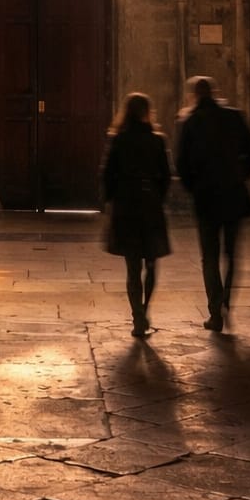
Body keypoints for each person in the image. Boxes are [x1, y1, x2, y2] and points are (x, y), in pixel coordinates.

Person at [175, 75, 250, 333]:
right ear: (213, 91)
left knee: (209, 256)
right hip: (233, 194)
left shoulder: (190, 121)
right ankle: (226, 302)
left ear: (194, 95)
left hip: (206, 198)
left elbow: (181, 164)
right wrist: (241, 175)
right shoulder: (234, 116)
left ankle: (215, 311)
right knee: (231, 255)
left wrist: (194, 187)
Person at [101, 92, 171, 337]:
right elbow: (165, 176)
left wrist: (112, 201)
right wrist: (156, 198)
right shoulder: (157, 140)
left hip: (127, 207)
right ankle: (145, 308)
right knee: (151, 263)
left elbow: (108, 174)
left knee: (132, 267)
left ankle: (137, 317)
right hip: (150, 206)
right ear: (146, 112)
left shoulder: (118, 140)